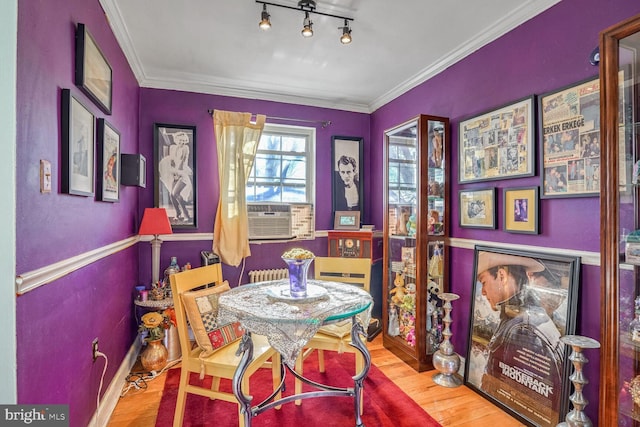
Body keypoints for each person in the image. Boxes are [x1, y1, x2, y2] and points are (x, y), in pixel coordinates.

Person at [476, 252, 564, 425]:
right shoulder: (522, 319)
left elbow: (519, 402)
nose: (484, 292)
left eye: (484, 282)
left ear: (501, 276)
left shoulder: (523, 330)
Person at [159, 130, 193, 222]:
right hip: (174, 171)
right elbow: (172, 161)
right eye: (179, 140)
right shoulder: (173, 147)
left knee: (175, 193)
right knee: (171, 195)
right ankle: (178, 214)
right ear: (176, 140)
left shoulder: (185, 148)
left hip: (182, 171)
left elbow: (182, 162)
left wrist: (178, 174)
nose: (181, 142)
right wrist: (173, 172)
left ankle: (186, 214)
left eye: (183, 140)